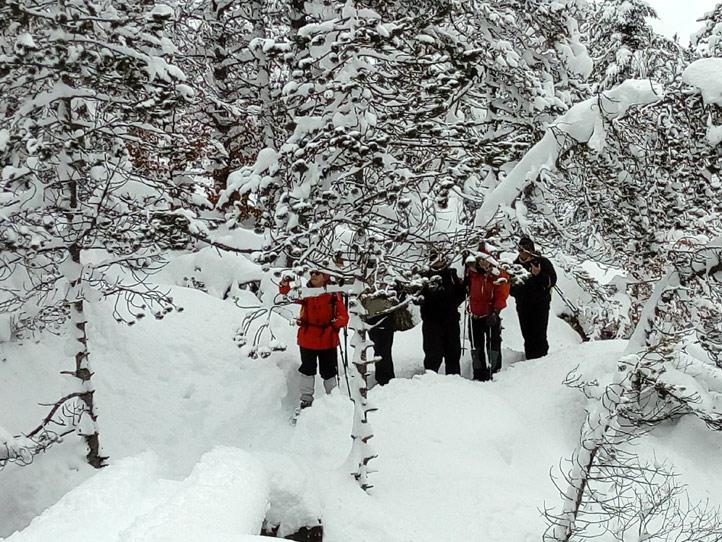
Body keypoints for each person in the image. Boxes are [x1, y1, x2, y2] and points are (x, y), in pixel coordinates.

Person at [279, 268, 349, 409]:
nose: (314, 276)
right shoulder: (305, 293)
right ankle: (306, 400)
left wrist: (334, 325)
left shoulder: (333, 294)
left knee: (329, 371)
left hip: (327, 340)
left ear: (325, 277)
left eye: (318, 273)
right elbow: (286, 294)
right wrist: (285, 283)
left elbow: (344, 316)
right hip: (309, 339)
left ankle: (333, 400)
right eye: (312, 273)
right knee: (307, 369)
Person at [464, 251, 510, 381]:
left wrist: (496, 311)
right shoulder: (472, 273)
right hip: (475, 314)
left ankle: (494, 372)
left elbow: (502, 294)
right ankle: (478, 373)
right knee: (476, 346)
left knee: (493, 345)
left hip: (491, 315)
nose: (483, 263)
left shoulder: (497, 274)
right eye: (481, 260)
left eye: (486, 260)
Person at [510, 235, 557, 360]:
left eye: (525, 250)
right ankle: (530, 360)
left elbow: (551, 281)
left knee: (540, 335)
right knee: (527, 335)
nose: (522, 253)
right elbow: (511, 289)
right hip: (523, 306)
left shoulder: (542, 262)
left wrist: (538, 275)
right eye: (520, 250)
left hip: (540, 305)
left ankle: (542, 361)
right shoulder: (515, 266)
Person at [419, 251, 466, 375]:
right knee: (432, 355)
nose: (439, 262)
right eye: (435, 259)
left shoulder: (451, 274)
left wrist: (451, 303)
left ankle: (455, 381)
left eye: (441, 259)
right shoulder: (424, 276)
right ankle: (429, 381)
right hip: (431, 322)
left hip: (451, 321)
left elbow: (461, 294)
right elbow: (418, 297)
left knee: (453, 354)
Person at [360, 292, 396, 386]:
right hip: (376, 314)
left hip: (379, 314)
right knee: (382, 349)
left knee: (382, 349)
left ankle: (385, 379)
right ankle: (385, 379)